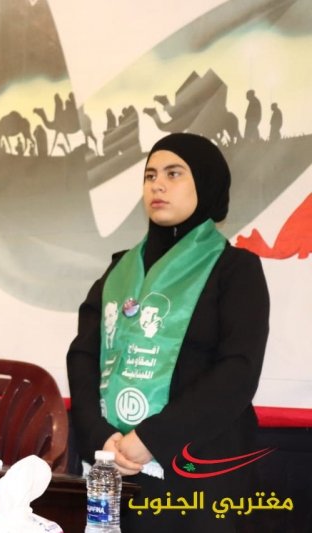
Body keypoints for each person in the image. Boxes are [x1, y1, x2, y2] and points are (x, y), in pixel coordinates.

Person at [66, 133, 269, 531]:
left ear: (206, 184)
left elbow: (238, 371)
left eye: (173, 174)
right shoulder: (119, 270)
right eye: (150, 176)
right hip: (116, 466)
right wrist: (101, 437)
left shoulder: (234, 270)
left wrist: (151, 438)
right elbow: (84, 356)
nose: (157, 185)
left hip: (200, 473)